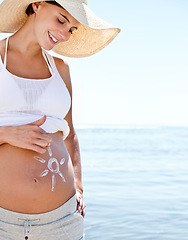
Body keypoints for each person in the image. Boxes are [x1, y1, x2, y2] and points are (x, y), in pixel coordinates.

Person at [0, 0, 120, 239]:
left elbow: (70, 133)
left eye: (71, 29)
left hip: (62, 220)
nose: (65, 35)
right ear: (37, 5)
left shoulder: (61, 69)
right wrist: (5, 134)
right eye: (61, 20)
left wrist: (79, 187)